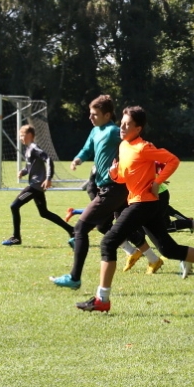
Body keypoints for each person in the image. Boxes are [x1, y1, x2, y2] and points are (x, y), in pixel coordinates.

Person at [76, 106, 194, 313]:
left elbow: (172, 160)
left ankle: (102, 299)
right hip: (139, 202)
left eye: (127, 125)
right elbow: (125, 176)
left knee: (108, 242)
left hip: (144, 203)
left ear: (138, 128)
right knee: (168, 249)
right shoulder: (124, 145)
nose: (122, 127)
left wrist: (158, 181)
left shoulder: (143, 147)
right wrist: (115, 174)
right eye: (121, 123)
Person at [49, 96, 125, 288]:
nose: (90, 117)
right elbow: (86, 149)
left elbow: (135, 145)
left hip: (114, 189)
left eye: (95, 114)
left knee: (81, 228)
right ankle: (181, 255)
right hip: (105, 188)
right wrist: (77, 159)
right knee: (149, 228)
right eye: (90, 114)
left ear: (107, 115)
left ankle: (74, 278)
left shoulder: (115, 131)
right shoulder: (95, 131)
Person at [4, 124, 75, 246]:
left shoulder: (34, 148)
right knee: (44, 213)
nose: (20, 138)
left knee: (14, 206)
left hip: (35, 186)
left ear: (30, 135)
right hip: (37, 186)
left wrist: (48, 178)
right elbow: (29, 167)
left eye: (22, 135)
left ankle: (16, 237)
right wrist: (23, 171)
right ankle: (72, 230)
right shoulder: (28, 149)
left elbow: (48, 159)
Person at [124, 179, 194, 274]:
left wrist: (158, 179)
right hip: (150, 195)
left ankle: (181, 254)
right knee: (160, 227)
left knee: (161, 229)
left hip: (155, 195)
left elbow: (149, 169)